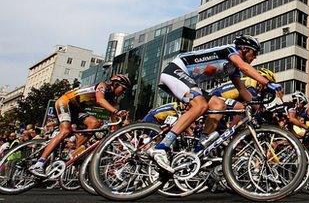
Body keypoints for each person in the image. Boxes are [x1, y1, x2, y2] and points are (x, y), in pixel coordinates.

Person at [150, 35, 281, 173]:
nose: (255, 57)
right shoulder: (230, 51)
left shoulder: (232, 69)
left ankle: (198, 149)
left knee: (219, 105)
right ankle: (162, 147)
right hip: (174, 73)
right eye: (254, 53)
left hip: (186, 84)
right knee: (200, 105)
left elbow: (243, 92)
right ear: (244, 49)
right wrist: (267, 82)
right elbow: (245, 67)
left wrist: (262, 110)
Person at [29, 74, 131, 177]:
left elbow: (114, 124)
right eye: (123, 88)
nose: (124, 92)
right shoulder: (103, 86)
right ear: (116, 84)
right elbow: (100, 100)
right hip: (66, 102)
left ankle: (75, 152)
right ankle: (39, 164)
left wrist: (117, 132)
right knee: (66, 131)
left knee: (95, 123)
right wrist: (117, 112)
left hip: (77, 109)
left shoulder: (112, 101)